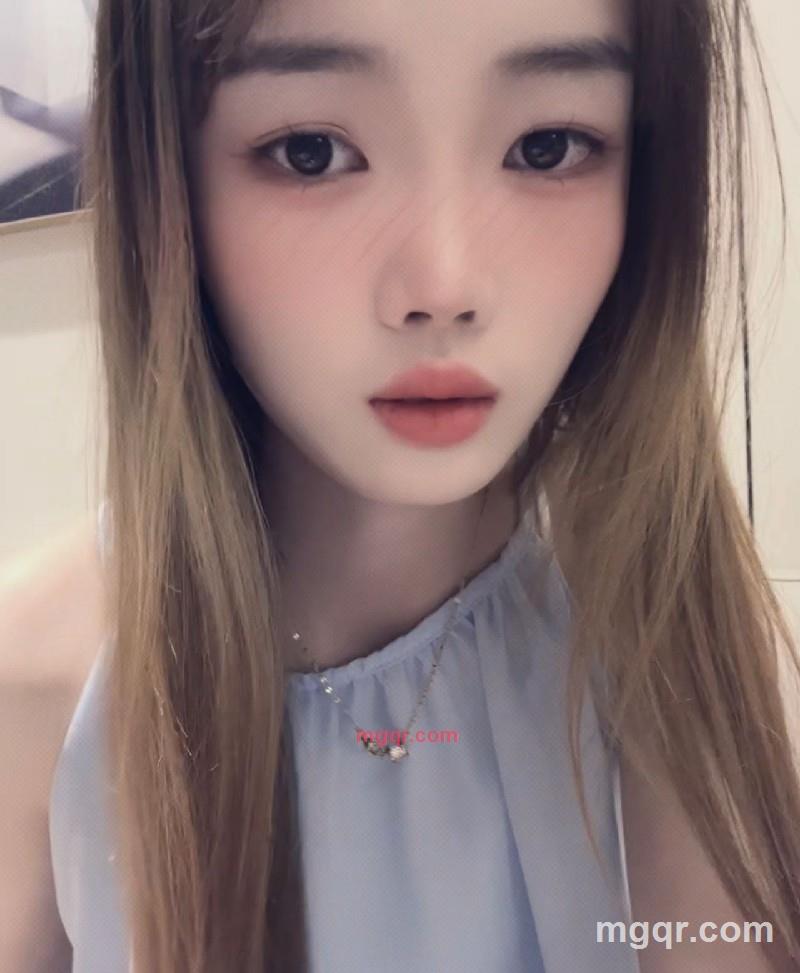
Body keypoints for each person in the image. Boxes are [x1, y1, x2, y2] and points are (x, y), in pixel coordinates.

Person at [3, 0, 799, 970]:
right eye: (310, 154)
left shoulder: (676, 672)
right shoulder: (39, 686)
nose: (444, 284)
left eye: (547, 147)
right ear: (169, 177)